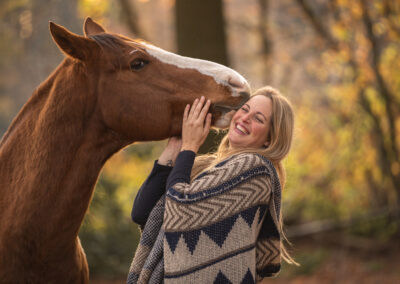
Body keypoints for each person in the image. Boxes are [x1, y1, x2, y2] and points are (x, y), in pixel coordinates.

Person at [127, 86, 297, 284]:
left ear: (270, 139)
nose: (244, 118)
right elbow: (143, 213)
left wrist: (190, 147)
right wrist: (176, 147)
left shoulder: (255, 169)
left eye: (258, 118)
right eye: (244, 109)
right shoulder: (204, 167)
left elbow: (181, 208)